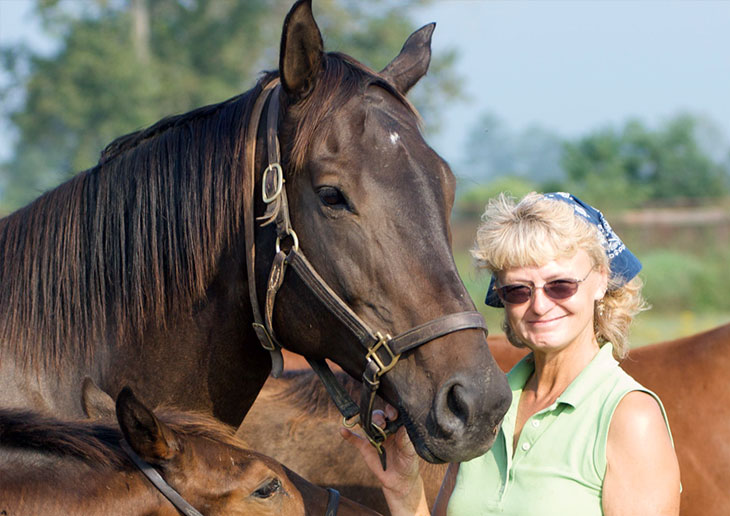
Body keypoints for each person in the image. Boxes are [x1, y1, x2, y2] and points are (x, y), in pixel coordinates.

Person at [342, 192, 681, 515]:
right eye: (518, 290)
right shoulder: (488, 406)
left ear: (601, 281)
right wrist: (404, 490)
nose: (540, 305)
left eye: (560, 285)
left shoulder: (629, 417)